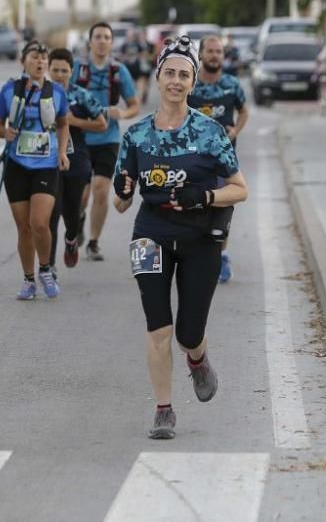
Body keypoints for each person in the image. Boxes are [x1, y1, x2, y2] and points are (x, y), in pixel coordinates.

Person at [113, 35, 249, 440]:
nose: (175, 81)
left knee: (189, 332)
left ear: (192, 83)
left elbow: (240, 188)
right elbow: (121, 201)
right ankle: (163, 410)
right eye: (169, 73)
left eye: (183, 75)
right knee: (158, 328)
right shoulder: (136, 136)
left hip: (198, 236)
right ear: (157, 78)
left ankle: (198, 357)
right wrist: (121, 194)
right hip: (150, 234)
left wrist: (205, 195)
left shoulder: (209, 132)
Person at [0, 40, 70, 300]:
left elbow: (62, 124)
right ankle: (28, 279)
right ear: (23, 61)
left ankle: (45, 268)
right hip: (16, 165)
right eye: (35, 57)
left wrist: (61, 153)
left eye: (43, 59)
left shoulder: (56, 91)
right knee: (23, 227)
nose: (40, 62)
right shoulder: (9, 90)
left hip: (46, 165)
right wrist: (5, 132)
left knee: (39, 222)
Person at [73, 22, 139, 262]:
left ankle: (93, 242)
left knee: (101, 191)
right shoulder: (77, 68)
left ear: (112, 42)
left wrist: (121, 113)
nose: (102, 41)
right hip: (79, 136)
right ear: (90, 41)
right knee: (81, 194)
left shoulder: (119, 71)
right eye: (98, 37)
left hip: (108, 138)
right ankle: (78, 219)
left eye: (106, 37)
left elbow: (134, 105)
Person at [187, 35, 249, 284]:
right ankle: (195, 254)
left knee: (222, 206)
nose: (215, 55)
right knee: (196, 206)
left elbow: (244, 111)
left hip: (224, 158)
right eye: (210, 51)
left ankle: (221, 254)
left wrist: (236, 130)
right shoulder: (190, 85)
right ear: (201, 55)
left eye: (219, 52)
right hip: (194, 158)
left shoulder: (232, 84)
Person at [46, 48, 107, 271]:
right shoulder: (41, 93)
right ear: (48, 70)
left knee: (71, 212)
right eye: (55, 70)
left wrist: (73, 121)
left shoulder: (81, 95)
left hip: (76, 158)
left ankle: (71, 238)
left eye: (64, 70)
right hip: (47, 160)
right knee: (52, 211)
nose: (59, 74)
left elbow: (102, 124)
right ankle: (49, 265)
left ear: (71, 71)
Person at [121, 28, 151, 105]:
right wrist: (126, 57)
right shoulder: (124, 45)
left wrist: (138, 57)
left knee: (140, 84)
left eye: (131, 35)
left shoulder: (138, 44)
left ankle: (139, 99)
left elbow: (144, 54)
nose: (130, 37)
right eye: (129, 35)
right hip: (128, 68)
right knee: (130, 85)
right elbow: (121, 55)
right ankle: (131, 99)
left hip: (137, 67)